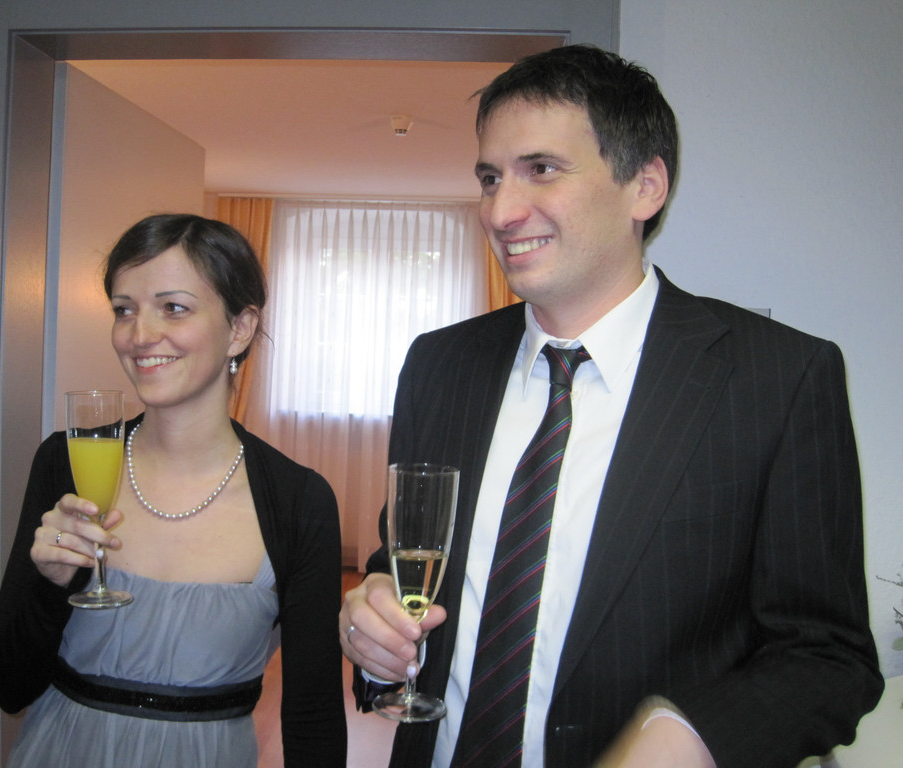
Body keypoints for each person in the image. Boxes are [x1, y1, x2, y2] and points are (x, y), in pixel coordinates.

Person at [340, 45, 882, 768]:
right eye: (490, 178)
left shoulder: (777, 379)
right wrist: (373, 630)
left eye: (541, 169)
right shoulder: (439, 366)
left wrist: (696, 737)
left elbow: (829, 657)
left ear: (644, 187)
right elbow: (407, 563)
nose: (500, 211)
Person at [0, 213, 347, 767]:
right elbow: (7, 685)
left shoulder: (298, 502)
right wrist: (50, 584)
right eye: (124, 309)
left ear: (240, 328)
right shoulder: (66, 462)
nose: (139, 335)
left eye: (173, 307)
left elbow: (313, 716)